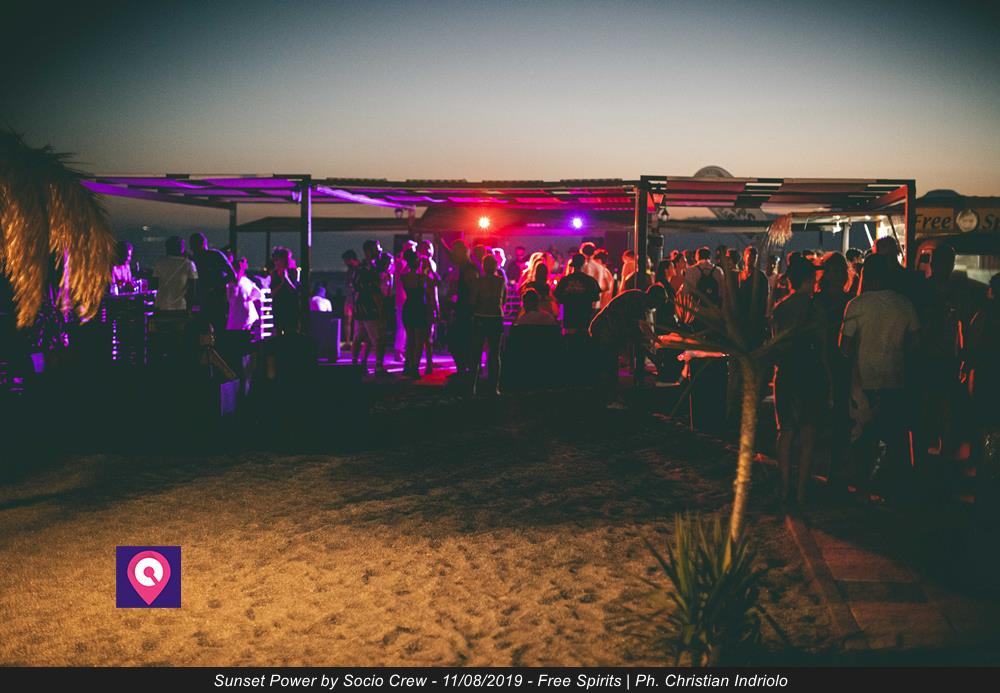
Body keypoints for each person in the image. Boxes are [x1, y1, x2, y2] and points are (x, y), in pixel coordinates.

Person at [840, 254, 920, 501]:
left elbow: (844, 347)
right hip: (895, 378)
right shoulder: (904, 303)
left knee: (865, 438)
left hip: (864, 381)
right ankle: (893, 490)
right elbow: (915, 343)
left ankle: (863, 489)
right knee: (894, 437)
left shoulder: (857, 305)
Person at [771, 256, 827, 509]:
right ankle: (802, 491)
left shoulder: (780, 308)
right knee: (808, 432)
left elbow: (776, 344)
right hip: (810, 371)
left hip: (786, 371)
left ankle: (784, 487)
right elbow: (823, 347)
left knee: (785, 431)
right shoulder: (815, 308)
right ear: (808, 280)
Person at [589, 284, 667, 408]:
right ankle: (609, 400)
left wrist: (654, 343)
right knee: (609, 366)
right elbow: (641, 330)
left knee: (610, 365)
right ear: (654, 298)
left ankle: (610, 398)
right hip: (604, 331)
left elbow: (640, 331)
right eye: (659, 303)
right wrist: (656, 347)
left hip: (604, 329)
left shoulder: (638, 298)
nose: (657, 307)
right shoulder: (638, 302)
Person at [815, 252, 852, 487]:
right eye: (834, 271)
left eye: (841, 271)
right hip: (822, 361)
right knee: (820, 419)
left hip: (842, 363)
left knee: (841, 418)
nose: (838, 275)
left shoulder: (849, 300)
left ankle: (834, 471)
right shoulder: (819, 301)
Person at [352, 240, 391, 374]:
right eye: (376, 248)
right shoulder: (369, 269)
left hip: (361, 307)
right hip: (370, 307)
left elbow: (355, 287)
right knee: (377, 338)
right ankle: (378, 366)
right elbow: (374, 289)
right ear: (368, 251)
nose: (380, 251)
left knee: (362, 337)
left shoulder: (361, 268)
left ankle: (357, 364)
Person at [470, 254, 506, 395]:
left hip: (481, 316)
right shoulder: (501, 281)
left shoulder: (478, 282)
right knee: (495, 354)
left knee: (476, 353)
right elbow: (504, 300)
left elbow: (473, 300)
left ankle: (472, 387)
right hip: (496, 317)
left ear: (483, 266)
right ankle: (494, 387)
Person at [188, 232, 236, 332]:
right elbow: (232, 275)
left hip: (207, 301)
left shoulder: (195, 259)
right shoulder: (215, 255)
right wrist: (217, 286)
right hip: (215, 300)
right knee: (218, 330)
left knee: (203, 331)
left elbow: (232, 275)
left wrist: (214, 287)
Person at [447, 240, 480, 376]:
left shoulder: (469, 270)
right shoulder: (463, 268)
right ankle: (464, 370)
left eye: (455, 253)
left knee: (461, 341)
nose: (453, 256)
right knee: (458, 341)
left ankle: (466, 371)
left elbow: (473, 292)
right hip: (462, 310)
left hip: (467, 312)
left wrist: (470, 311)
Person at [400, 248, 430, 378]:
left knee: (410, 340)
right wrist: (427, 270)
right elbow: (435, 282)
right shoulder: (421, 277)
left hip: (408, 307)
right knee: (419, 341)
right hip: (419, 308)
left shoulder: (404, 276)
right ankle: (414, 368)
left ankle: (407, 366)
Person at [554, 253, 601, 334]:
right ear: (584, 264)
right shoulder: (590, 281)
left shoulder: (565, 280)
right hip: (584, 321)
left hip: (569, 321)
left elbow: (558, 297)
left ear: (572, 265)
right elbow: (596, 299)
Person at [153, 236, 197, 312]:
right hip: (181, 306)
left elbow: (154, 284)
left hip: (161, 305)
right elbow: (192, 288)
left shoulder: (159, 262)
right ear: (182, 249)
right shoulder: (189, 264)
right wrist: (190, 307)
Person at [681, 246, 724, 323]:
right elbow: (722, 292)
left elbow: (686, 292)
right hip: (714, 310)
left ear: (697, 257)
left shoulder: (691, 270)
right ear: (710, 257)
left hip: (697, 311)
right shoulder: (718, 271)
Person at [269, 246, 300, 337]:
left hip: (290, 306)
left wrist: (286, 278)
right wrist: (281, 282)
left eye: (277, 260)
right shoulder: (274, 273)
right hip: (278, 305)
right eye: (275, 260)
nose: (276, 263)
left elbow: (294, 289)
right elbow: (272, 293)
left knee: (290, 331)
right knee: (278, 330)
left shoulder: (293, 272)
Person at [226, 257, 263, 331]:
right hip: (237, 320)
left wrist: (251, 298)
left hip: (248, 319)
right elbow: (231, 297)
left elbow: (259, 294)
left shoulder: (246, 281)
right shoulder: (231, 283)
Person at [341, 249, 360, 347]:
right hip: (350, 297)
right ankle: (349, 341)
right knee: (348, 320)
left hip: (356, 298)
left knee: (357, 321)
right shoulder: (351, 269)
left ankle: (355, 341)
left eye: (346, 260)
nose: (345, 263)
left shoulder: (358, 269)